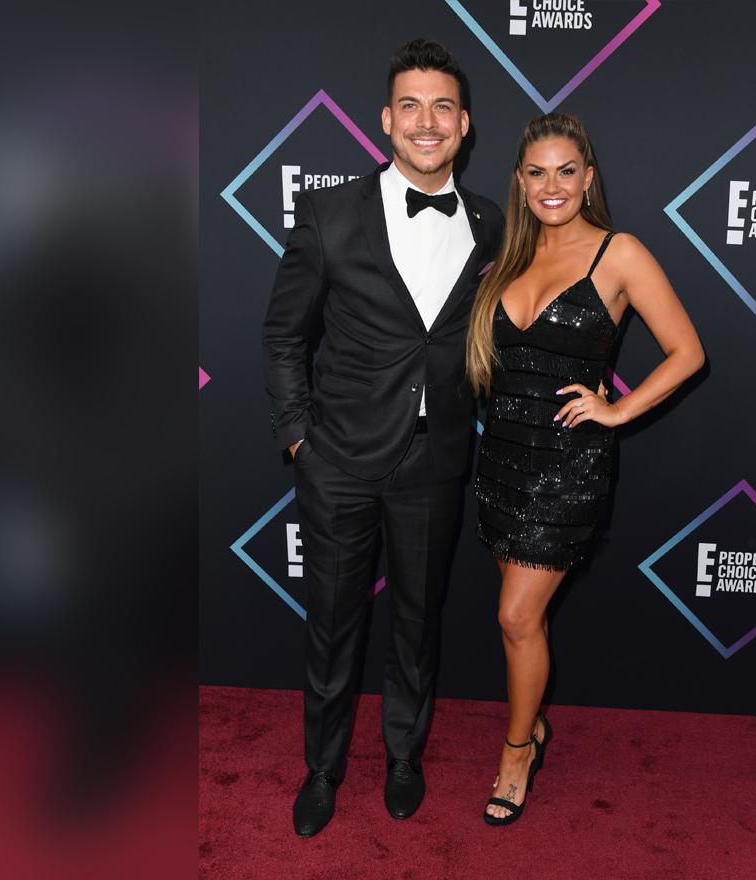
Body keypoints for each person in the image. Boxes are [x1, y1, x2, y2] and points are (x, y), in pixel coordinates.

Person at [262, 39, 504, 838]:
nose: (425, 122)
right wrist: (300, 438)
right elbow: (284, 335)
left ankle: (405, 754)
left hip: (435, 464)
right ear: (386, 121)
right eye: (410, 106)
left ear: (464, 125)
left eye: (442, 107)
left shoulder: (493, 224)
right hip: (339, 462)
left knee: (416, 622)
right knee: (332, 625)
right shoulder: (331, 213)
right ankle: (322, 770)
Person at [466, 112, 705, 825]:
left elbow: (687, 351)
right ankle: (531, 723)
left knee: (515, 616)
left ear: (589, 178)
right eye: (536, 172)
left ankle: (517, 752)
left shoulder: (619, 254)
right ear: (519, 180)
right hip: (502, 460)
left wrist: (618, 411)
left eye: (567, 170)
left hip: (567, 469)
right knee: (515, 623)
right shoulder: (505, 258)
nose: (552, 185)